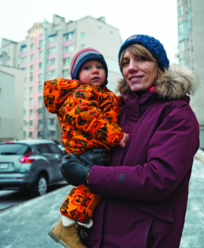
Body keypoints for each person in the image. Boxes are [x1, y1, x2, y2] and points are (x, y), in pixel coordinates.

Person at [60, 35, 200, 248]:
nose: (131, 68)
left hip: (144, 240)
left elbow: (157, 180)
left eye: (141, 59)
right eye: (125, 63)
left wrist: (88, 175)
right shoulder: (117, 112)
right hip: (98, 239)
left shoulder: (177, 114)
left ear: (160, 66)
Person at [44, 47, 129, 248]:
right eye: (87, 68)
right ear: (77, 76)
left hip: (94, 149)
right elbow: (88, 118)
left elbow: (112, 108)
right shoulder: (80, 93)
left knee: (92, 187)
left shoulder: (103, 94)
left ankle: (74, 223)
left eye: (100, 67)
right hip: (86, 148)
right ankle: (67, 224)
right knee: (92, 186)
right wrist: (116, 136)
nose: (95, 71)